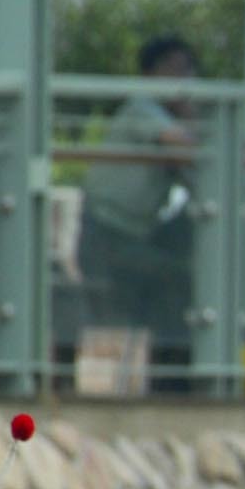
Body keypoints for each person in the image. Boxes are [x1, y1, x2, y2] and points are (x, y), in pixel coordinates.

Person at [80, 35, 200, 389]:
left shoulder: (164, 116)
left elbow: (194, 173)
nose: (184, 81)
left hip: (133, 236)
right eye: (174, 70)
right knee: (176, 282)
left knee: (180, 279)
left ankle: (172, 383)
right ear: (149, 74)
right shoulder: (143, 108)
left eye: (188, 71)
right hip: (106, 238)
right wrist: (194, 118)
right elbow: (184, 147)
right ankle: (172, 387)